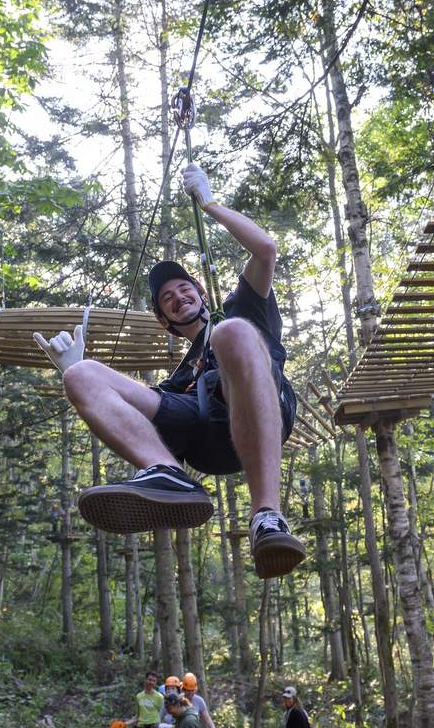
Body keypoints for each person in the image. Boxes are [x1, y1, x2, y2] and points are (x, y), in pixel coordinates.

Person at [35, 163, 306, 578]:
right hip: (205, 439)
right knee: (80, 376)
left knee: (232, 333)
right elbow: (141, 409)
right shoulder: (180, 378)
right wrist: (75, 367)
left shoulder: (242, 310)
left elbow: (265, 249)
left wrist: (210, 203)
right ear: (164, 321)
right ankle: (166, 474)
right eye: (167, 298)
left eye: (184, 289)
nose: (178, 297)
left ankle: (267, 515)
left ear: (200, 294)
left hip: (261, 409)